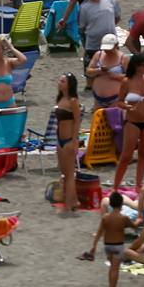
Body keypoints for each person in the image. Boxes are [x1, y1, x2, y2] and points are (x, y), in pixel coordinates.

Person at [113, 55, 144, 192]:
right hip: (132, 122)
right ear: (136, 66)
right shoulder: (126, 81)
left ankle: (139, 185)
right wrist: (127, 107)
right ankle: (116, 186)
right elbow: (119, 101)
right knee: (126, 156)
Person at [51, 73, 82, 211]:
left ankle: (68, 206)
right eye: (60, 80)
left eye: (63, 81)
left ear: (69, 84)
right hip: (60, 139)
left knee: (69, 174)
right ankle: (74, 201)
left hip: (69, 139)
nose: (60, 83)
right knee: (64, 172)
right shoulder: (60, 99)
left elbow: (77, 121)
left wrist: (74, 141)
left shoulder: (73, 101)